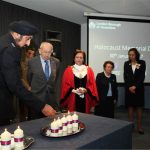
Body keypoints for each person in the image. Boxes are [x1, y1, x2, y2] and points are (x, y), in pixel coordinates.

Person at [0, 20, 56, 126]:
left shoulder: (6, 42)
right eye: (28, 38)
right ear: (16, 34)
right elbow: (15, 85)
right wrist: (42, 106)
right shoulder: (9, 50)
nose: (28, 43)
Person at [28, 42, 60, 118]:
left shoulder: (56, 62)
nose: (47, 54)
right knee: (35, 123)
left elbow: (55, 79)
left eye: (49, 52)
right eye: (45, 52)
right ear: (39, 51)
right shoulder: (32, 62)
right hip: (36, 99)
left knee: (50, 124)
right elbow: (29, 78)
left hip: (50, 99)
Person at [124, 48, 146, 134]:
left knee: (139, 107)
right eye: (129, 55)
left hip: (139, 89)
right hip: (129, 89)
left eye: (132, 54)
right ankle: (130, 126)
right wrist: (130, 87)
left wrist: (135, 86)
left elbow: (142, 76)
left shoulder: (142, 63)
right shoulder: (126, 64)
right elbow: (125, 76)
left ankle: (139, 127)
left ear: (136, 54)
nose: (131, 56)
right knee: (130, 107)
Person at [20, 47, 35, 121]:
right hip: (23, 89)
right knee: (23, 110)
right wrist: (28, 87)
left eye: (33, 54)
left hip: (33, 89)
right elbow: (21, 78)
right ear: (26, 53)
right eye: (29, 53)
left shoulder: (34, 65)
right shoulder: (21, 64)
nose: (31, 55)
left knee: (31, 110)